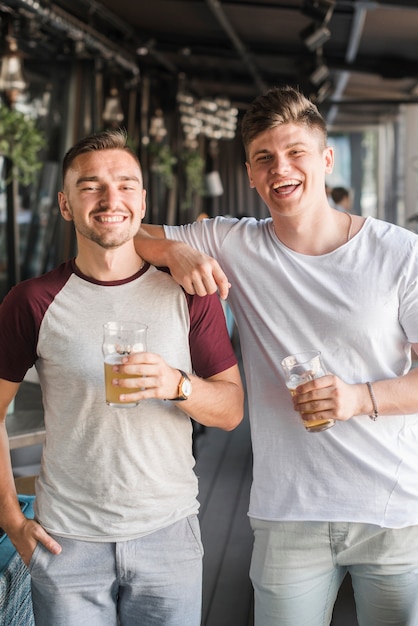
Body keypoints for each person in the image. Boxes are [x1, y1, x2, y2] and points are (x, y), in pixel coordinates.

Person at [135, 86, 418, 626]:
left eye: (296, 153)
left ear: (326, 159)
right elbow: (130, 234)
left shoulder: (401, 253)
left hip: (393, 513)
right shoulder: (233, 242)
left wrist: (358, 399)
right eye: (264, 158)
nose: (280, 169)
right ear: (249, 173)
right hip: (287, 514)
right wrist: (175, 248)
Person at [0, 128, 244, 626]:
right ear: (66, 205)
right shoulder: (32, 301)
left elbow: (232, 411)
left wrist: (179, 385)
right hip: (65, 541)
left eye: (126, 184)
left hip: (168, 536)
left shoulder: (188, 293)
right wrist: (11, 520)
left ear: (142, 199)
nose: (111, 198)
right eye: (91, 186)